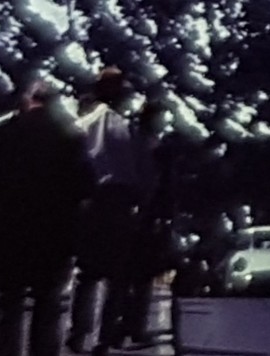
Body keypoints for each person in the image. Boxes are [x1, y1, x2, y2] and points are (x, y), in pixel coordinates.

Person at [0, 79, 95, 356]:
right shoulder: (70, 136)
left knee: (7, 308)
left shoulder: (4, 133)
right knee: (49, 308)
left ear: (28, 100)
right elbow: (86, 186)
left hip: (8, 235)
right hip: (53, 236)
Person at [67, 69, 152, 356]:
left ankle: (77, 334)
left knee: (86, 274)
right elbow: (143, 172)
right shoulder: (128, 128)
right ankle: (104, 336)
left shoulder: (82, 124)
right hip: (119, 202)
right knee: (115, 276)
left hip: (88, 201)